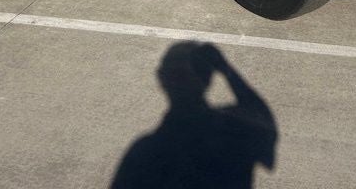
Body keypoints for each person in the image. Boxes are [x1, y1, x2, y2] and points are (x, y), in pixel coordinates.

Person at [110, 41, 277, 188]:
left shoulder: (144, 153)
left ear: (161, 77)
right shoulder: (234, 131)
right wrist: (225, 68)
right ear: (208, 80)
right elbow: (261, 115)